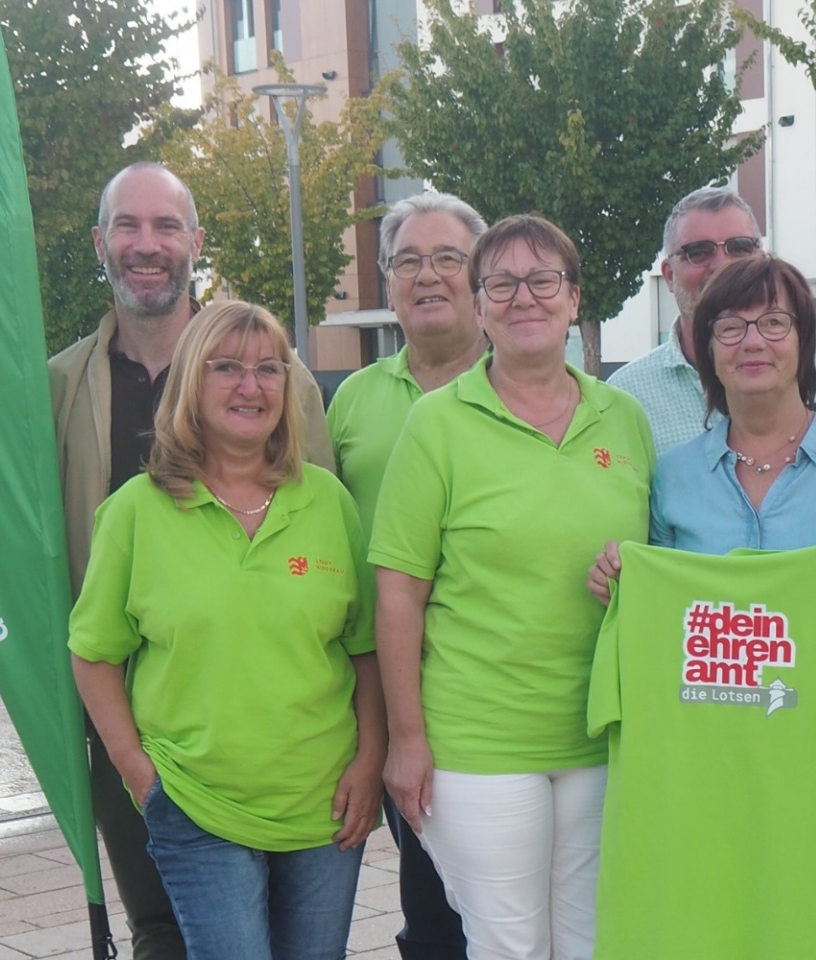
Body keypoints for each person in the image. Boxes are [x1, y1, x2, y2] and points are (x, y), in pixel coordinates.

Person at [48, 162, 333, 960]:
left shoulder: (281, 380)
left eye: (166, 227)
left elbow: (321, 529)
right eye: (129, 227)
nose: (148, 245)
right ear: (100, 242)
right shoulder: (64, 386)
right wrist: (132, 764)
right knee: (164, 931)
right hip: (130, 721)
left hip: (268, 722)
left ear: (195, 243)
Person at [370, 215, 655, 960]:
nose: (524, 296)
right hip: (479, 742)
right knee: (509, 944)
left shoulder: (623, 417)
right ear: (482, 304)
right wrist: (406, 740)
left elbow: (659, 564)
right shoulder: (438, 425)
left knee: (592, 942)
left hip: (600, 734)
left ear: (573, 298)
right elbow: (398, 592)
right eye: (501, 282)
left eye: (543, 280)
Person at [69, 301, 382, 960]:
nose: (251, 386)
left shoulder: (328, 502)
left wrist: (370, 758)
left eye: (269, 369)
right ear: (190, 382)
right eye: (227, 368)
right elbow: (93, 655)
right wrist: (138, 772)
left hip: (323, 803)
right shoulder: (134, 512)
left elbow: (365, 649)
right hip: (195, 801)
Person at [325, 190, 486, 960]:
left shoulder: (535, 388)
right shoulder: (351, 402)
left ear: (479, 274)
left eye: (448, 258)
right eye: (407, 261)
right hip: (390, 695)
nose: (428, 276)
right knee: (431, 903)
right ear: (386, 281)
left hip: (504, 694)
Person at [588, 254, 816, 605]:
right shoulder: (674, 475)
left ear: (803, 342)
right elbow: (662, 607)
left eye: (773, 323)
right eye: (730, 327)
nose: (752, 342)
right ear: (708, 351)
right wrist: (621, 585)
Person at [608, 186, 816, 454]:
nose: (722, 265)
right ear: (669, 275)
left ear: (762, 259)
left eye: (739, 247)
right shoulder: (626, 398)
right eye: (699, 251)